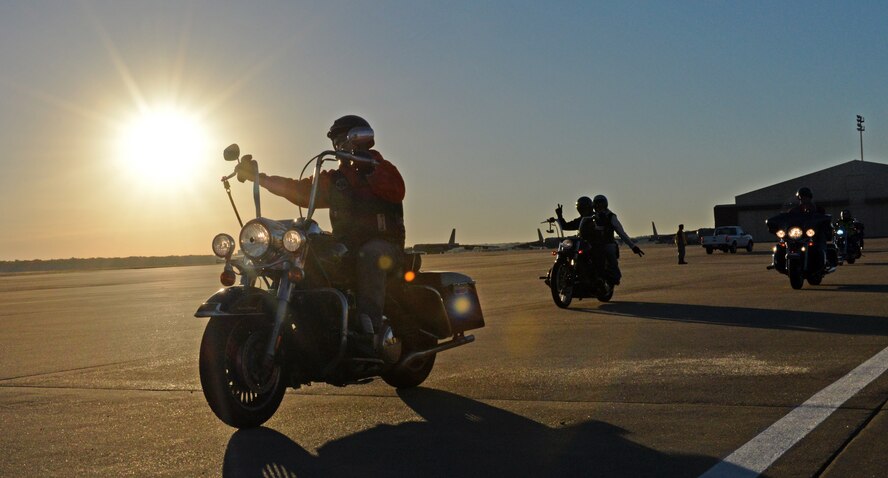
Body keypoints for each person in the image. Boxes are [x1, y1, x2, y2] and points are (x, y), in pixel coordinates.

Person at [235, 115, 405, 354]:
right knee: (310, 250)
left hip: (386, 246)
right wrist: (258, 178)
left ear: (361, 138)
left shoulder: (381, 169)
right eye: (336, 141)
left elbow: (397, 190)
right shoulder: (335, 180)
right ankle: (312, 323)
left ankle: (371, 330)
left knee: (370, 254)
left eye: (344, 139)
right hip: (347, 245)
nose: (339, 146)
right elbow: (298, 189)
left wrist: (368, 168)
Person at [556, 195, 644, 285]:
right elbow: (566, 226)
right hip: (586, 243)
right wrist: (559, 216)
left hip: (604, 242)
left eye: (585, 208)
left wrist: (633, 246)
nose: (599, 206)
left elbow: (621, 232)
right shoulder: (583, 219)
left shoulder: (606, 216)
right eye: (581, 208)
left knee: (604, 252)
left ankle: (609, 277)